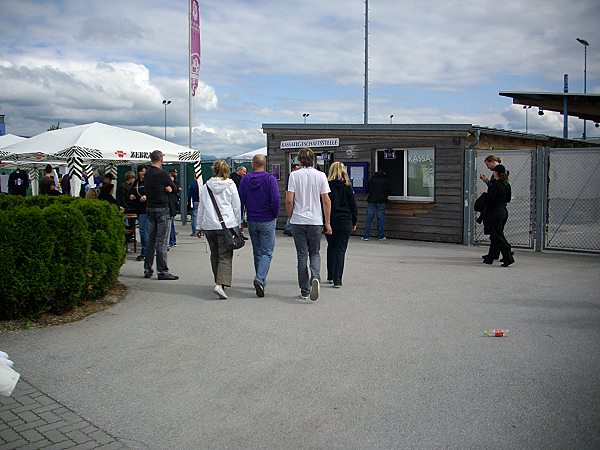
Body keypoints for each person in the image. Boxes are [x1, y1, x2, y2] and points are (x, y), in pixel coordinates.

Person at [285, 147, 332, 301]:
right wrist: (327, 222)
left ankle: (304, 290)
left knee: (302, 255)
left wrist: (291, 215)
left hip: (299, 220)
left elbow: (289, 199)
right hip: (315, 221)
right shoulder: (321, 175)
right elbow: (326, 200)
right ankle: (316, 278)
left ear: (299, 160)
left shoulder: (294, 175)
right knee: (315, 252)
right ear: (314, 160)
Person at [196, 160, 242, 299]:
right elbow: (236, 206)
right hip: (226, 225)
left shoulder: (206, 186)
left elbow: (201, 207)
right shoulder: (231, 185)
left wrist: (198, 226)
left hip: (209, 225)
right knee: (225, 255)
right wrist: (239, 224)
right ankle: (220, 284)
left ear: (213, 170)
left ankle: (218, 280)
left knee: (214, 254)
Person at [239, 154, 280, 297]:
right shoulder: (270, 179)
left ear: (253, 164)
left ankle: (261, 279)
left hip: (252, 218)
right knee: (267, 252)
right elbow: (275, 199)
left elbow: (241, 200)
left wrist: (241, 220)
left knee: (257, 252)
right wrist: (275, 214)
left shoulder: (245, 179)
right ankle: (260, 279)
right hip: (267, 218)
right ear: (265, 164)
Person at [143, 151, 178, 281]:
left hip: (150, 207)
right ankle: (162, 271)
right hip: (162, 208)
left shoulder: (147, 173)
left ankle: (147, 268)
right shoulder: (162, 174)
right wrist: (168, 188)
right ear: (161, 159)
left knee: (151, 240)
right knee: (162, 241)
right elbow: (174, 188)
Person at [325, 162, 357, 288]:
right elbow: (352, 205)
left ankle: (331, 275)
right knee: (341, 249)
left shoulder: (327, 185)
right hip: (345, 220)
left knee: (331, 246)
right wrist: (354, 221)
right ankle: (338, 280)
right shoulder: (347, 186)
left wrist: (324, 221)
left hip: (331, 220)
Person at [482, 164, 514, 267]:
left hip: (495, 212)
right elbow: (508, 199)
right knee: (496, 234)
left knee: (496, 235)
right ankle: (491, 256)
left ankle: (508, 256)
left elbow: (491, 199)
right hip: (503, 211)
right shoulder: (506, 184)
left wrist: (485, 194)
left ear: (496, 173)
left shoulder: (495, 184)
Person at [361, 170, 391, 241]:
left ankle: (366, 236)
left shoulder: (372, 179)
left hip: (371, 201)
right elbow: (389, 190)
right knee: (380, 219)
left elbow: (367, 188)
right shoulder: (385, 180)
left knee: (369, 219)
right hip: (381, 201)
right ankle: (380, 236)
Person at [129, 166, 148, 262]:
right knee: (146, 231)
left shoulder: (149, 182)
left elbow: (154, 193)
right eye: (141, 171)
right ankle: (150, 250)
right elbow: (131, 192)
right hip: (138, 208)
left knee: (143, 230)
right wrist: (132, 195)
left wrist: (146, 197)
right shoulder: (136, 182)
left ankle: (145, 252)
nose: (143, 173)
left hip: (147, 209)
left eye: (145, 171)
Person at [283, 163, 301, 236]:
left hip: (295, 197)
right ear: (293, 169)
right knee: (291, 212)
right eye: (296, 169)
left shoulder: (296, 176)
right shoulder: (291, 176)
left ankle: (288, 227)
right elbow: (288, 189)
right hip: (291, 196)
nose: (298, 170)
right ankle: (288, 228)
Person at [168, 169, 181, 249]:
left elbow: (177, 189)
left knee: (170, 225)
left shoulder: (174, 183)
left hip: (172, 205)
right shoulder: (172, 183)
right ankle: (172, 241)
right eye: (175, 172)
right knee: (171, 224)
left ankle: (171, 241)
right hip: (172, 205)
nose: (176, 174)